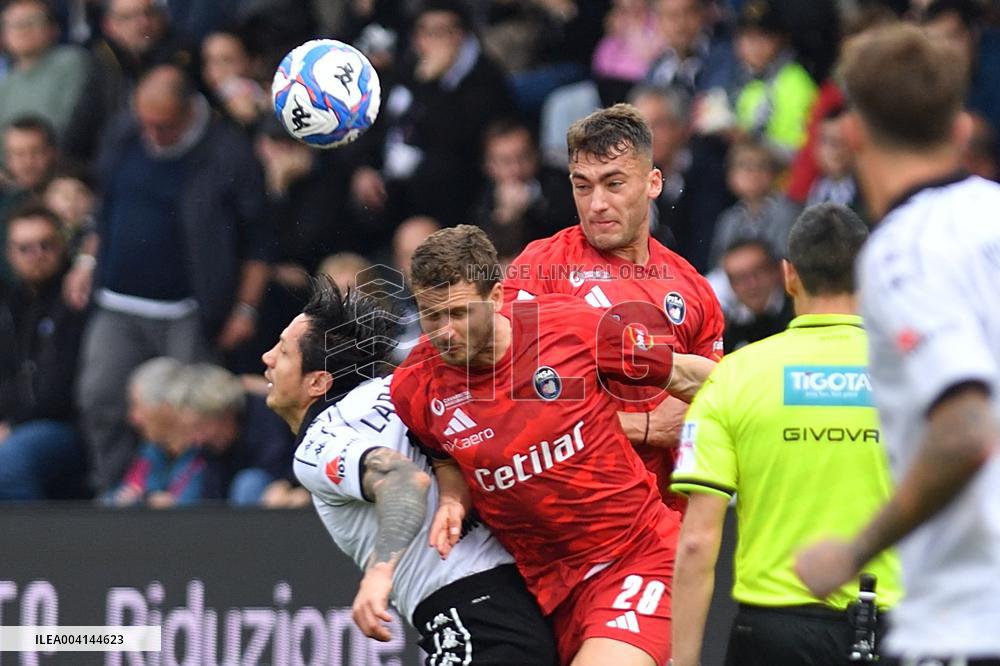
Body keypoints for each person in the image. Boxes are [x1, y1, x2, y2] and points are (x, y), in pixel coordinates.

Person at [391, 225, 716, 665]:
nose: (445, 332)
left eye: (460, 314)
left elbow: (686, 375)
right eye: (432, 317)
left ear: (497, 297)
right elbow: (440, 452)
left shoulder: (571, 327)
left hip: (635, 554)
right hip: (546, 592)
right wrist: (452, 497)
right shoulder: (415, 386)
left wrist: (778, 394)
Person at [794, 24, 1000, 664]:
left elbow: (965, 429)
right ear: (961, 129)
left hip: (968, 614)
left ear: (852, 133)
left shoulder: (899, 254)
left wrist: (852, 550)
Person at [262, 276, 558, 665]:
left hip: (474, 619)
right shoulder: (406, 386)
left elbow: (402, 480)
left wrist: (378, 574)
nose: (267, 357)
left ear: (318, 382)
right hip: (529, 600)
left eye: (283, 352)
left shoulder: (319, 443)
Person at [669, 204, 901, 666]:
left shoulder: (735, 375)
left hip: (773, 632)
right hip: (895, 627)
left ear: (788, 275)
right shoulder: (919, 371)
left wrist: (683, 660)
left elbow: (696, 541)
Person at [502, 103, 725, 516]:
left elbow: (718, 404)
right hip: (565, 518)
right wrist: (643, 427)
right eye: (582, 186)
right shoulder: (541, 268)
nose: (596, 204)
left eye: (614, 183)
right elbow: (515, 407)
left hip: (662, 520)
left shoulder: (694, 289)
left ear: (653, 182)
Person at [70, 63, 269, 494]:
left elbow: (258, 241)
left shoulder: (228, 152)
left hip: (189, 307)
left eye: (164, 125)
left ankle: (185, 501)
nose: (152, 133)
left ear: (189, 110)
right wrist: (87, 262)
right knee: (100, 398)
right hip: (118, 299)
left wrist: (245, 308)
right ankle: (118, 491)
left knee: (192, 410)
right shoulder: (125, 133)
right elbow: (104, 207)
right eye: (146, 122)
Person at [0, 204, 87, 500]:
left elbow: (60, 391)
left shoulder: (76, 299)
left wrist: (11, 425)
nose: (36, 255)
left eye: (45, 245)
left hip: (63, 429)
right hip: (14, 425)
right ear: (10, 255)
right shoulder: (10, 306)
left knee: (9, 463)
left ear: (62, 245)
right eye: (25, 248)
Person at [0, 0, 90, 135]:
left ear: (54, 28)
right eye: (13, 24)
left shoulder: (71, 62)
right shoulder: (6, 83)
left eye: (32, 21)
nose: (22, 30)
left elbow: (67, 124)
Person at [718, 238, 793, 352]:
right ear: (731, 285)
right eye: (740, 278)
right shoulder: (728, 334)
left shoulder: (800, 312)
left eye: (758, 272)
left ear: (777, 271)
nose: (752, 284)